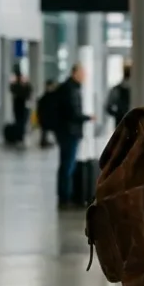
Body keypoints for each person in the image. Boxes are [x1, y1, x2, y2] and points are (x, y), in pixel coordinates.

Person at [53, 64, 93, 207]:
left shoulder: (69, 87)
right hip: (69, 132)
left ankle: (64, 195)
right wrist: (88, 117)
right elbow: (73, 112)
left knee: (66, 164)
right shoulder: (71, 89)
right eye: (82, 73)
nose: (84, 76)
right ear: (75, 73)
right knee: (67, 165)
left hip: (66, 131)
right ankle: (65, 197)